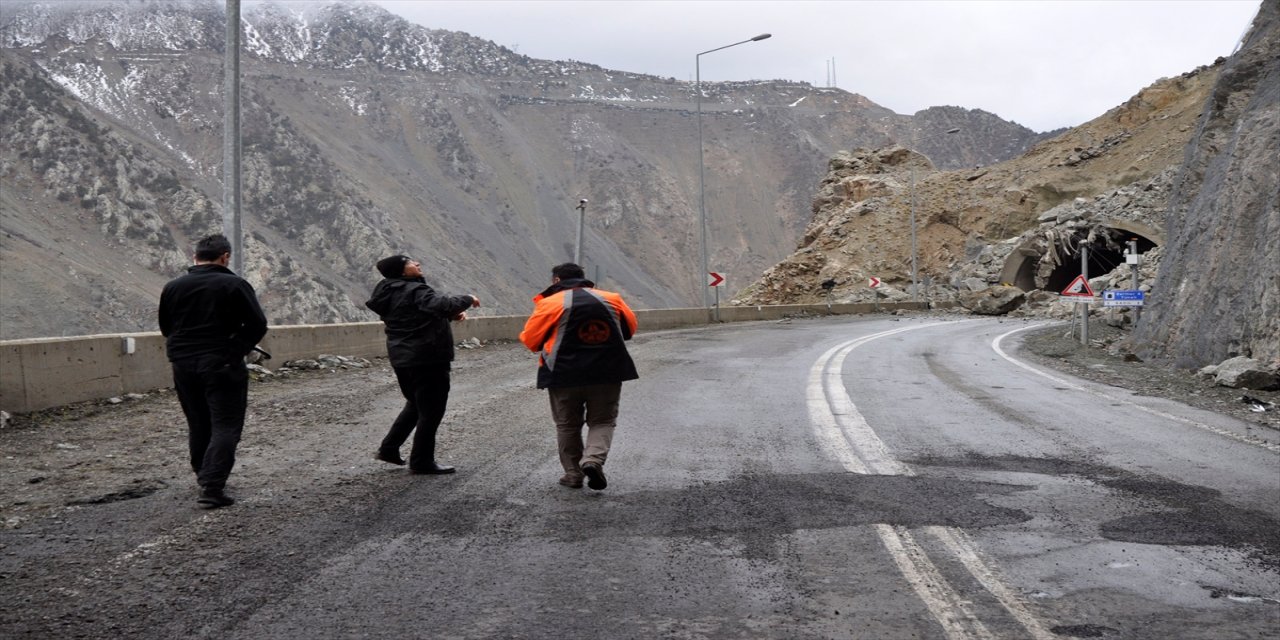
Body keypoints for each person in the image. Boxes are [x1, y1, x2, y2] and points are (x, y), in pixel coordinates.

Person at [158, 234, 268, 509]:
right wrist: (234, 352)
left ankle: (203, 474)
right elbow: (257, 324)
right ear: (225, 256)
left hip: (183, 364)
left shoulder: (173, 286)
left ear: (195, 257)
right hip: (221, 364)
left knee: (198, 422)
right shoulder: (234, 285)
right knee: (226, 424)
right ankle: (212, 486)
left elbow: (167, 327)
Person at [519, 263, 638, 491]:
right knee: (602, 421)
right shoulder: (611, 298)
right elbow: (629, 329)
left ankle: (573, 474)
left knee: (567, 425)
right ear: (584, 279)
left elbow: (531, 341)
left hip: (563, 375)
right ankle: (592, 460)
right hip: (608, 372)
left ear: (556, 281)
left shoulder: (549, 303)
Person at [365, 254, 480, 474]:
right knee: (432, 411)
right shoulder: (415, 290)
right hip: (427, 358)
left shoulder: (388, 291)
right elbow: (443, 304)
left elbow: (415, 316)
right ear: (401, 271)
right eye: (410, 263)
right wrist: (467, 298)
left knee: (416, 404)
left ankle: (389, 448)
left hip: (402, 358)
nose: (416, 264)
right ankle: (421, 461)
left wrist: (449, 316)